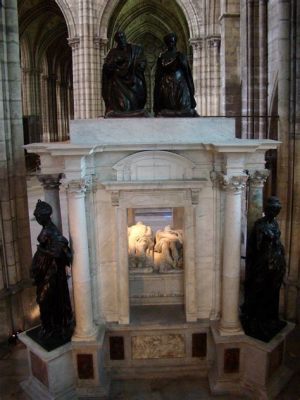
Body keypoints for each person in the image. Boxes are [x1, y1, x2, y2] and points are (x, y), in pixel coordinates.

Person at [241, 196, 286, 342]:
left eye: (277, 210)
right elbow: (256, 248)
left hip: (276, 263)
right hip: (263, 265)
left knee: (272, 292)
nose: (275, 213)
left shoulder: (274, 224)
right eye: (273, 210)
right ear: (267, 210)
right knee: (260, 292)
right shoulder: (260, 226)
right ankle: (257, 321)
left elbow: (278, 242)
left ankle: (270, 318)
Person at [31, 200, 73, 339]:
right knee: (45, 300)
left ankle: (53, 327)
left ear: (44, 216)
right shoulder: (47, 228)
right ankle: (49, 327)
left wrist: (42, 250)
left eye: (38, 217)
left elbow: (60, 249)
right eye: (36, 217)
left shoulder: (52, 231)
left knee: (46, 300)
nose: (37, 219)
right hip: (45, 272)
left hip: (52, 274)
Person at [102, 31, 147, 117]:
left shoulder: (135, 49)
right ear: (116, 41)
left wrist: (141, 64)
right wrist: (115, 61)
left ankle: (135, 111)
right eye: (119, 38)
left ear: (125, 37)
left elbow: (141, 61)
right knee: (124, 106)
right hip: (118, 84)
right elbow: (106, 68)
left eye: (122, 37)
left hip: (133, 81)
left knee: (136, 100)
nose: (121, 39)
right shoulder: (113, 52)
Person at [154, 32, 197, 117]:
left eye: (172, 41)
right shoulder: (162, 57)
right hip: (166, 86)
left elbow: (187, 74)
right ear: (166, 43)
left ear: (175, 42)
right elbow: (158, 75)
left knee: (183, 107)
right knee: (167, 108)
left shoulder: (180, 56)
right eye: (169, 42)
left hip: (180, 85)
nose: (171, 44)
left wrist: (191, 91)